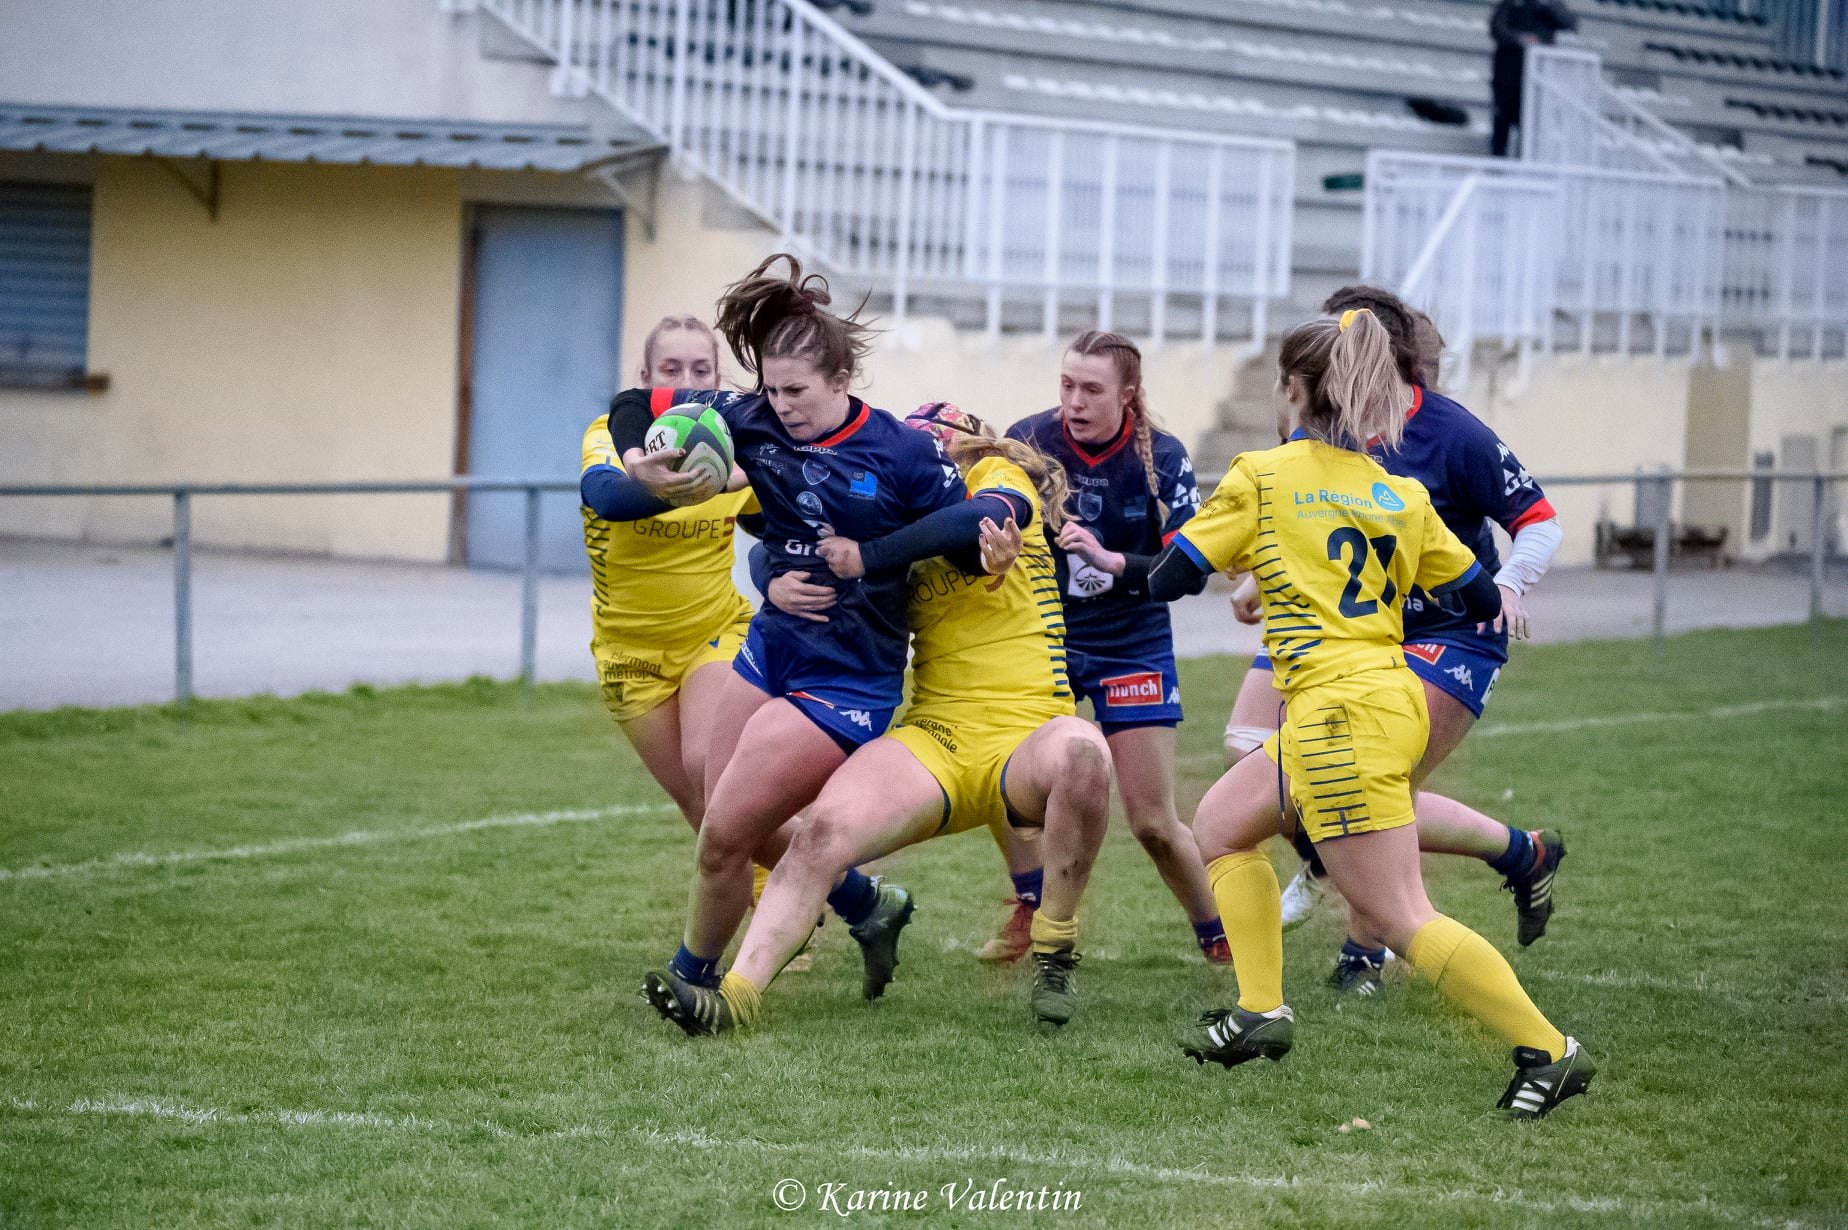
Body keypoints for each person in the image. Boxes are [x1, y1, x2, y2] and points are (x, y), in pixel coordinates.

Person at [1148, 308, 1594, 1119]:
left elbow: (1168, 578)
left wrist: (1229, 552)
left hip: (1335, 717)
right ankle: (1259, 1011)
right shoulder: (1401, 494)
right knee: (1219, 823)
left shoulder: (1263, 473)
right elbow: (1470, 591)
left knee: (1396, 915)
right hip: (1383, 698)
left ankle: (1548, 1050)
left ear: (1294, 392)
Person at [646, 404, 1116, 1033]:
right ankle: (734, 998)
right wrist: (772, 575)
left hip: (1028, 731)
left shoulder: (997, 475)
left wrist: (869, 555)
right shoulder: (897, 504)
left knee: (1085, 751)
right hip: (938, 736)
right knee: (818, 835)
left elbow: (985, 517)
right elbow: (783, 528)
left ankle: (1054, 949)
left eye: (936, 439)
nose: (924, 452)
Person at [601, 254, 969, 1009]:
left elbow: (964, 534)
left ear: (841, 380)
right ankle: (869, 906)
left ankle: (695, 980)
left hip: (848, 679)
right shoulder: (751, 420)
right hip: (770, 647)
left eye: (796, 390)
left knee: (726, 829)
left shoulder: (902, 453)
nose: (782, 405)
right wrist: (645, 466)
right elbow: (634, 400)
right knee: (718, 814)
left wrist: (873, 559)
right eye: (770, 389)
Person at [1219, 286, 1567, 995]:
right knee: (1247, 743)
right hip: (1341, 628)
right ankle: (1518, 853)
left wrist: (1510, 585)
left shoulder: (1451, 432)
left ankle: (1365, 951)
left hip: (1449, 633)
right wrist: (1260, 581)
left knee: (1377, 788)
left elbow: (1539, 519)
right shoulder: (1319, 430)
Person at [985, 332, 1229, 967]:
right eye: (1066, 385)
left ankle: (1221, 939)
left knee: (1152, 822)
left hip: (1132, 643)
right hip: (1046, 640)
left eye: (1091, 389)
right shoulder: (1028, 442)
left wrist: (1111, 560)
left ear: (1128, 395)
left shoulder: (1164, 458)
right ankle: (1033, 903)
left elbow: (1189, 572)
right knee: (1005, 792)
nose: (1074, 401)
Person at [1490, 0, 1578, 157]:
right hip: (1508, 70)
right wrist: (1520, 39)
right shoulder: (1509, 4)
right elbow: (1497, 28)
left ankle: (1526, 160)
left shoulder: (1551, 5)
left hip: (1538, 73)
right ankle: (1497, 160)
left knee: (1531, 119)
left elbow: (1569, 23)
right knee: (1502, 117)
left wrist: (1547, 5)